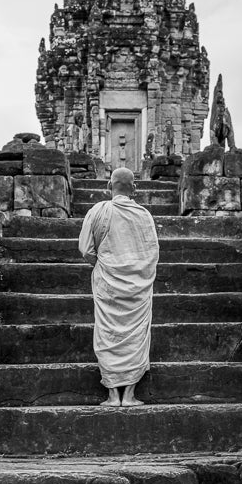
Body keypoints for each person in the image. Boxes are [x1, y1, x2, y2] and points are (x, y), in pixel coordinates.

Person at [78, 168, 159, 407]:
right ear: (134, 188)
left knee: (108, 332)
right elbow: (152, 253)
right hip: (138, 286)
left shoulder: (98, 211)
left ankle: (113, 395)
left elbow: (85, 249)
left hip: (107, 284)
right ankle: (130, 395)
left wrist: (105, 265)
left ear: (108, 186)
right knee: (135, 333)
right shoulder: (144, 215)